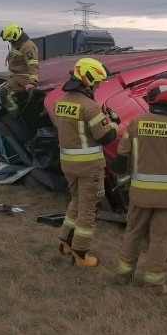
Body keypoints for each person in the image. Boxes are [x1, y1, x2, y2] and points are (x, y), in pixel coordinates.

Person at [114, 79, 167, 295]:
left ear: (153, 98)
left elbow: (122, 157)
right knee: (160, 238)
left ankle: (124, 275)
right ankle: (154, 284)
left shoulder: (136, 123)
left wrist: (124, 184)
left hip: (139, 194)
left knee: (133, 232)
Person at [54, 57, 119, 267]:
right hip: (89, 167)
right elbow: (106, 137)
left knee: (76, 201)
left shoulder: (62, 101)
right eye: (97, 82)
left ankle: (65, 242)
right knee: (88, 209)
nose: (98, 86)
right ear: (88, 80)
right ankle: (81, 254)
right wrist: (114, 124)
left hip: (68, 163)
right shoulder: (90, 107)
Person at [0, 23, 40, 115]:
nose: (10, 42)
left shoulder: (28, 47)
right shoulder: (17, 44)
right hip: (15, 76)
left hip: (23, 77)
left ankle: (16, 117)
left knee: (5, 93)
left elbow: (33, 65)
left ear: (15, 35)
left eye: (10, 39)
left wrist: (32, 82)